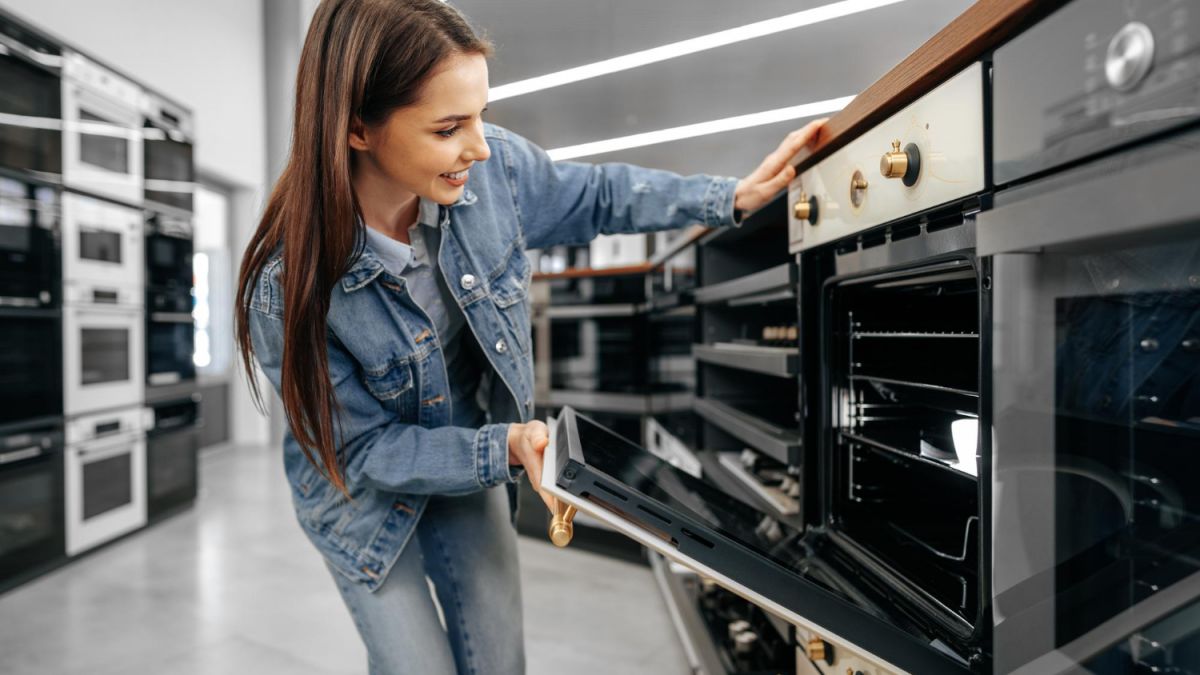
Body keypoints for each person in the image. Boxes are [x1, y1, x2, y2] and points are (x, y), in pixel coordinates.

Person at [234, 0, 825, 673]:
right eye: (449, 126)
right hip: (360, 492)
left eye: (481, 114)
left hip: (469, 443)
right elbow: (365, 447)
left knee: (496, 660)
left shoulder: (495, 172)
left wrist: (727, 198)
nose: (481, 147)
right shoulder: (289, 286)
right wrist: (507, 446)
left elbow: (601, 195)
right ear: (358, 128)